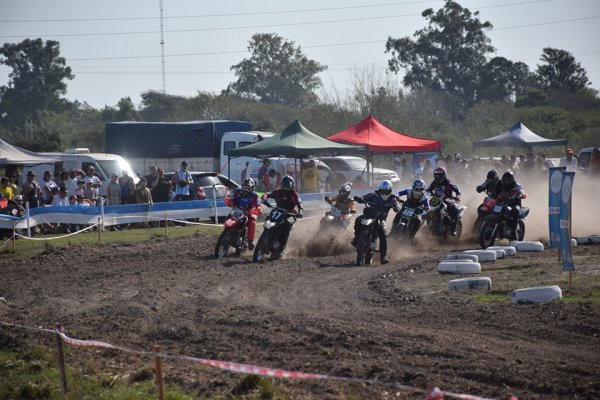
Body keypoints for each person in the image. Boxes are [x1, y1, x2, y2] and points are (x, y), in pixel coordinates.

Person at [352, 180, 399, 264]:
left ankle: (383, 256)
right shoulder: (374, 195)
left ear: (390, 190)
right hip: (369, 215)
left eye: (387, 190)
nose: (384, 193)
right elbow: (364, 197)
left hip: (381, 220)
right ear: (379, 189)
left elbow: (397, 208)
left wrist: (396, 206)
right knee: (358, 219)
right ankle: (356, 239)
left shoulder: (392, 198)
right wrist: (359, 198)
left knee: (383, 235)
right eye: (383, 190)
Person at [261, 175, 303, 258]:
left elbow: (299, 203)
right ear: (281, 185)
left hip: (290, 213)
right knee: (268, 218)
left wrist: (300, 211)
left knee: (287, 224)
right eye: (284, 187)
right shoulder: (277, 192)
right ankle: (266, 238)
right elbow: (267, 194)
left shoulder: (294, 194)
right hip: (278, 211)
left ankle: (282, 246)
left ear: (292, 186)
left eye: (288, 188)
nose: (286, 190)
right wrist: (264, 198)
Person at [224, 177, 262, 250]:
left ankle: (250, 241)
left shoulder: (255, 195)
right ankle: (226, 233)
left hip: (248, 212)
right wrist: (229, 201)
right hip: (237, 210)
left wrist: (257, 209)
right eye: (245, 188)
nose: (246, 190)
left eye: (249, 189)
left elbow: (258, 204)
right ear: (242, 186)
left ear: (252, 188)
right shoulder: (237, 191)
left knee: (252, 221)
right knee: (229, 217)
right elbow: (232, 198)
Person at [426, 166, 462, 236]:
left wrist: (457, 197)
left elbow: (458, 190)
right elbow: (428, 190)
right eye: (436, 175)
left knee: (454, 210)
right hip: (436, 200)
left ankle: (453, 230)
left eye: (439, 175)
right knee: (426, 209)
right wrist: (429, 193)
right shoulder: (434, 183)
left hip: (448, 200)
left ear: (444, 175)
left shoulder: (448, 183)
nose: (437, 177)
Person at [495, 171, 526, 240]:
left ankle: (514, 232)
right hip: (503, 203)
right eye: (504, 180)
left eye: (507, 180)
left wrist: (522, 195)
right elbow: (496, 193)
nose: (505, 182)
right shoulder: (500, 185)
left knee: (515, 210)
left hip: (514, 203)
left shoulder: (516, 185)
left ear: (511, 180)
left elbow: (521, 191)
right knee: (495, 210)